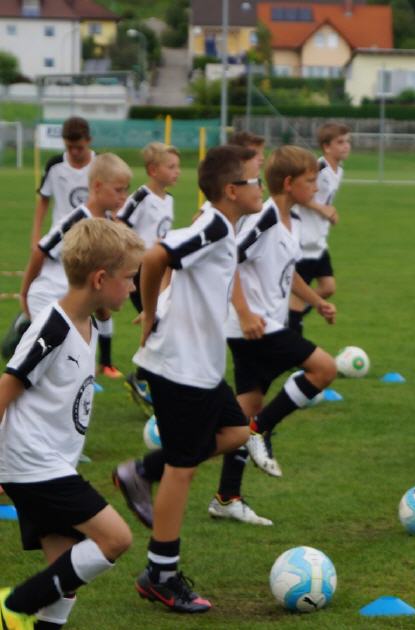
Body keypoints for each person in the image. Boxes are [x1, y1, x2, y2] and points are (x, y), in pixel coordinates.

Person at [111, 145, 263, 613]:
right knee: (183, 468)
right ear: (232, 190)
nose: (260, 187)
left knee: (237, 431)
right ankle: (160, 575)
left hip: (201, 367)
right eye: (255, 179)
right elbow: (155, 256)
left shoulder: (225, 227)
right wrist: (150, 313)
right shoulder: (213, 224)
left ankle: (141, 471)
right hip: (179, 367)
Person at [0, 219, 144, 630]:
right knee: (115, 538)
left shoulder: (90, 323)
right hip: (33, 464)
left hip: (52, 462)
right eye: (129, 278)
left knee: (64, 578)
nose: (133, 287)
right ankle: (12, 605)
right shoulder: (53, 327)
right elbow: (6, 389)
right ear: (100, 279)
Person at [214, 146, 337, 523]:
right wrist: (244, 312)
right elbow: (229, 261)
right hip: (254, 327)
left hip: (263, 325)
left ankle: (226, 498)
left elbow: (288, 271)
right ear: (288, 183)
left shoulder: (293, 220)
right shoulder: (264, 217)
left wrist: (317, 301)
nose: (316, 187)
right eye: (310, 181)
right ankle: (260, 430)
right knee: (324, 368)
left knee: (243, 414)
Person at [19, 154, 131, 378]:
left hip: (76, 299)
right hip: (49, 295)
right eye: (118, 190)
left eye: (125, 190)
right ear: (97, 187)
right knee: (49, 363)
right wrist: (24, 292)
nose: (124, 197)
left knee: (76, 356)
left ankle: (96, 371)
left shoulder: (109, 222)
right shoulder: (77, 220)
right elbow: (41, 251)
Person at [117, 142, 181, 415]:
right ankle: (144, 378)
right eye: (171, 167)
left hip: (161, 271)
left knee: (161, 323)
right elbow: (119, 225)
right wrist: (137, 252)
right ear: (153, 170)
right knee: (156, 323)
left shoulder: (170, 200)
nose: (177, 172)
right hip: (140, 272)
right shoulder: (141, 196)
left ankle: (146, 377)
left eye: (178, 167)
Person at [288, 122, 351, 334]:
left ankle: (291, 316)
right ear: (326, 147)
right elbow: (296, 194)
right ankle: (291, 324)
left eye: (347, 141)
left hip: (319, 241)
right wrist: (322, 209)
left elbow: (324, 200)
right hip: (304, 242)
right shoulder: (318, 168)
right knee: (299, 296)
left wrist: (329, 212)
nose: (346, 146)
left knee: (328, 287)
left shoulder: (338, 171)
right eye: (340, 142)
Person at [31, 117, 95, 249]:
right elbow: (44, 200)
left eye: (79, 148)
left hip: (94, 238)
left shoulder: (101, 164)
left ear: (89, 140)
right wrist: (35, 236)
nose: (74, 152)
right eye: (69, 147)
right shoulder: (54, 165)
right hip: (60, 239)